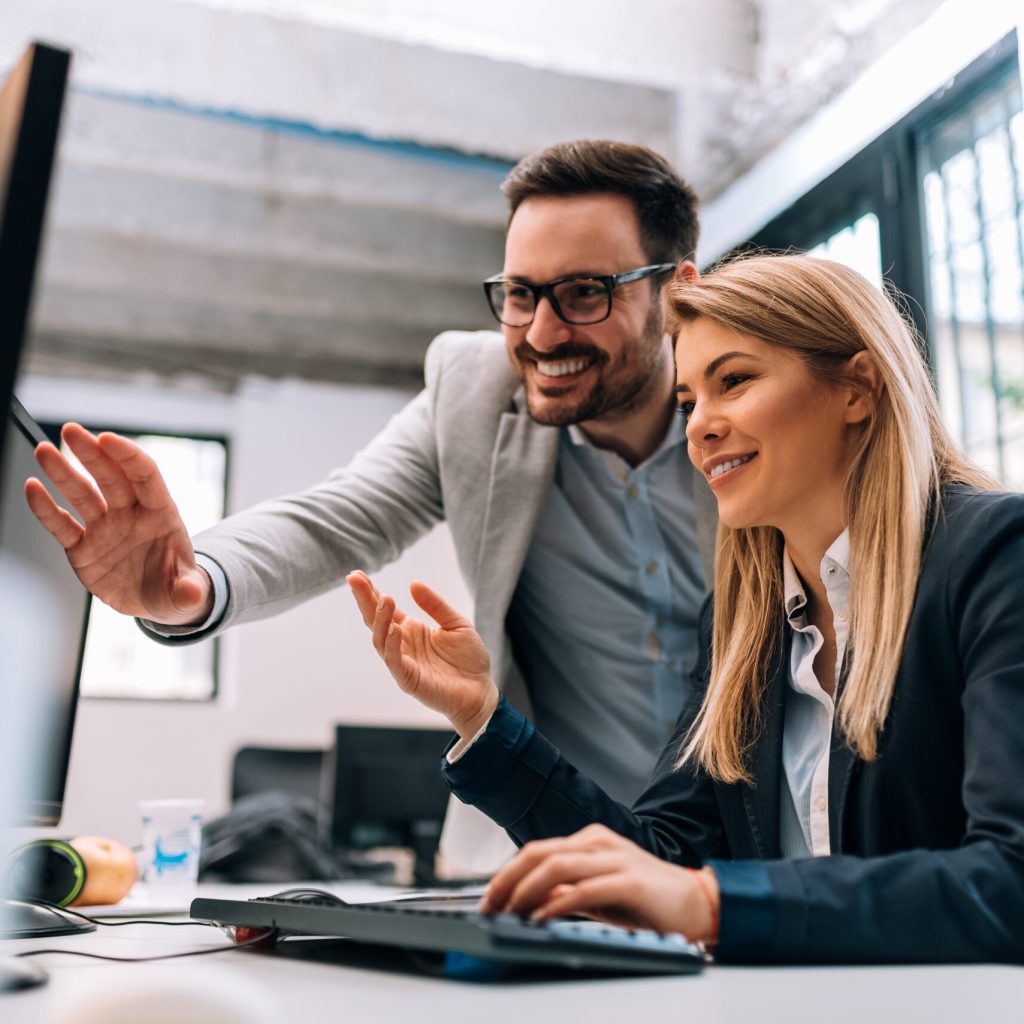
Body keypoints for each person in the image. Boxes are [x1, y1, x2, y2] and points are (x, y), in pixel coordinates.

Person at [23, 140, 717, 872]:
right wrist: (194, 581)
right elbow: (339, 517)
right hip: (553, 850)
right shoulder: (476, 394)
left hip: (750, 850)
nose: (542, 334)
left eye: (584, 293)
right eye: (520, 294)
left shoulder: (752, 410)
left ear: (675, 291)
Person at [348, 252, 1024, 963]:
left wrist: (711, 904)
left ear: (857, 387)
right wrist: (482, 719)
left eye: (734, 381)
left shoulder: (995, 558)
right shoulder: (741, 625)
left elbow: (1009, 881)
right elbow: (659, 861)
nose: (700, 427)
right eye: (689, 402)